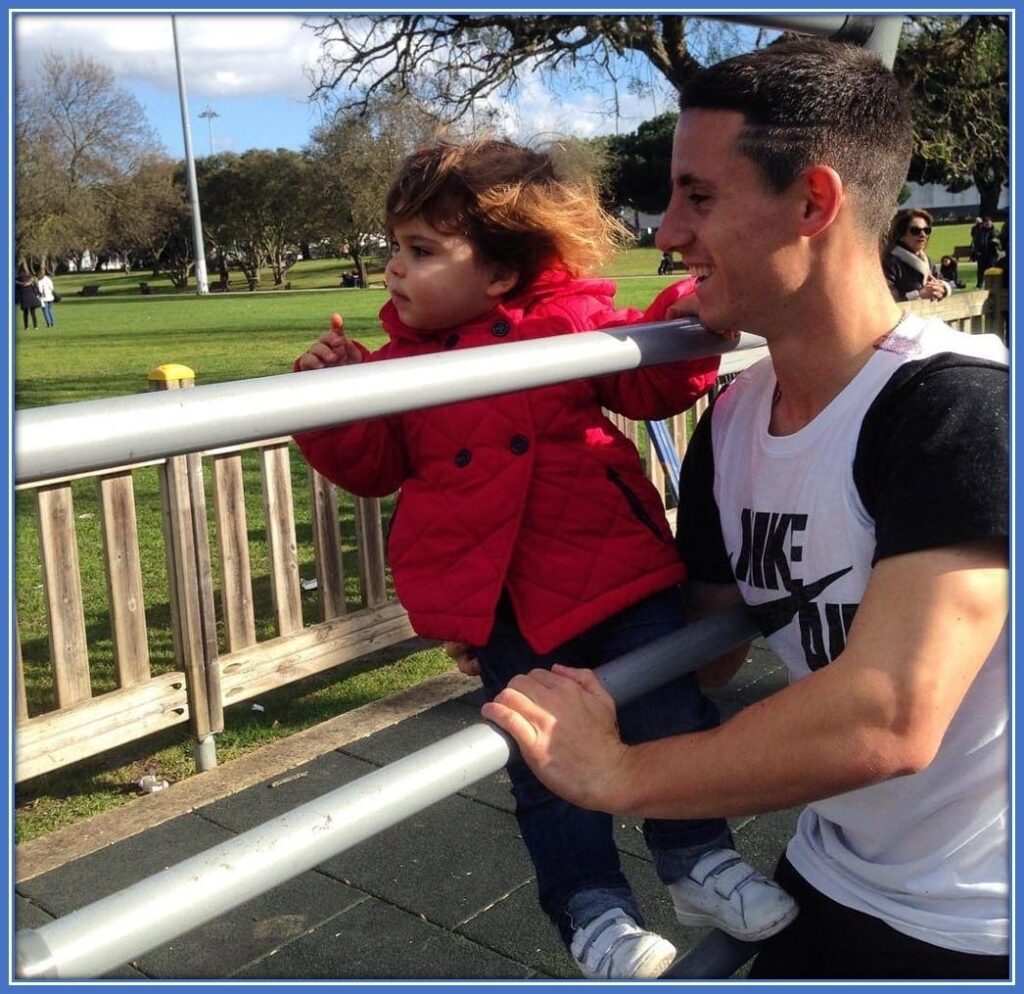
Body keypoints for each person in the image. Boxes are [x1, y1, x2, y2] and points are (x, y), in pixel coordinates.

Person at [482, 39, 1009, 981]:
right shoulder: (731, 416)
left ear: (813, 202)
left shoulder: (959, 409)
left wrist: (623, 777)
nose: (667, 233)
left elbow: (889, 717)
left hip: (980, 919)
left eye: (701, 197)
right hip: (831, 862)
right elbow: (713, 646)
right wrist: (524, 598)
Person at [292, 138, 796, 979]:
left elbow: (650, 381)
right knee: (544, 764)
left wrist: (689, 310)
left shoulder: (563, 324)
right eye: (394, 248)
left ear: (498, 273)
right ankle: (593, 913)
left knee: (669, 715)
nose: (393, 270)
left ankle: (697, 860)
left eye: (420, 251)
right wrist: (331, 404)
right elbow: (373, 467)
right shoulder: (398, 366)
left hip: (615, 570)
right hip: (505, 603)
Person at [883, 208, 952, 301]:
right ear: (901, 235)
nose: (923, 234)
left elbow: (944, 280)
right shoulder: (888, 263)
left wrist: (942, 289)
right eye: (915, 230)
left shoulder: (927, 260)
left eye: (927, 230)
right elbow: (887, 300)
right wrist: (919, 294)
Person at [970, 215, 1000, 287]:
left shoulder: (995, 231)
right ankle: (979, 284)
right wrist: (978, 251)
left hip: (992, 254)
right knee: (981, 270)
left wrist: (996, 242)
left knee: (992, 270)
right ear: (983, 223)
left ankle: (993, 284)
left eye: (989, 222)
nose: (987, 224)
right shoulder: (980, 231)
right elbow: (976, 241)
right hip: (982, 254)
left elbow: (999, 240)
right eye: (986, 223)